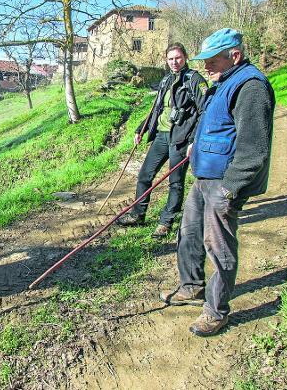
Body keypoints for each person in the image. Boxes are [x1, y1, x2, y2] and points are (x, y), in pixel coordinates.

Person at [160, 28, 275, 337]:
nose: (205, 67)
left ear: (234, 56)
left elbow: (254, 150)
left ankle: (216, 311)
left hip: (223, 182)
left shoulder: (251, 87)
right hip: (203, 177)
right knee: (189, 234)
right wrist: (196, 146)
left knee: (218, 246)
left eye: (211, 61)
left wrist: (230, 189)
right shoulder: (221, 82)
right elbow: (213, 124)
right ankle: (192, 286)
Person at [118, 42, 207, 238]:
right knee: (144, 175)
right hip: (161, 135)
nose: (174, 62)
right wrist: (141, 128)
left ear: (185, 57)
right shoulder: (166, 80)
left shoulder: (195, 80)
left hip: (181, 138)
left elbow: (204, 112)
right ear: (166, 60)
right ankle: (138, 214)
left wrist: (194, 140)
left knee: (175, 182)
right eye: (170, 59)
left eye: (178, 58)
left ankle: (166, 222)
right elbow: (156, 109)